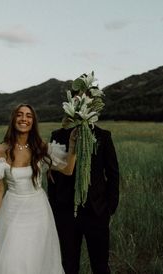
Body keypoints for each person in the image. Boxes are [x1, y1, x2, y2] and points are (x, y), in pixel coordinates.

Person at [0, 103, 76, 274]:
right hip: (13, 209)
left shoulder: (41, 147)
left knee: (38, 257)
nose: (24, 118)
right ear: (13, 119)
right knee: (13, 260)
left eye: (29, 116)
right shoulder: (1, 150)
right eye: (20, 115)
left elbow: (67, 170)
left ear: (33, 122)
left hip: (39, 210)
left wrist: (73, 144)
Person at [47, 79, 119, 274]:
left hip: (97, 211)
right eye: (78, 97)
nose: (82, 101)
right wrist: (55, 206)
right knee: (69, 264)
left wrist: (109, 208)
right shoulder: (57, 135)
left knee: (100, 265)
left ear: (92, 103)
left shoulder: (103, 136)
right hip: (66, 212)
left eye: (87, 97)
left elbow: (113, 174)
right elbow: (51, 175)